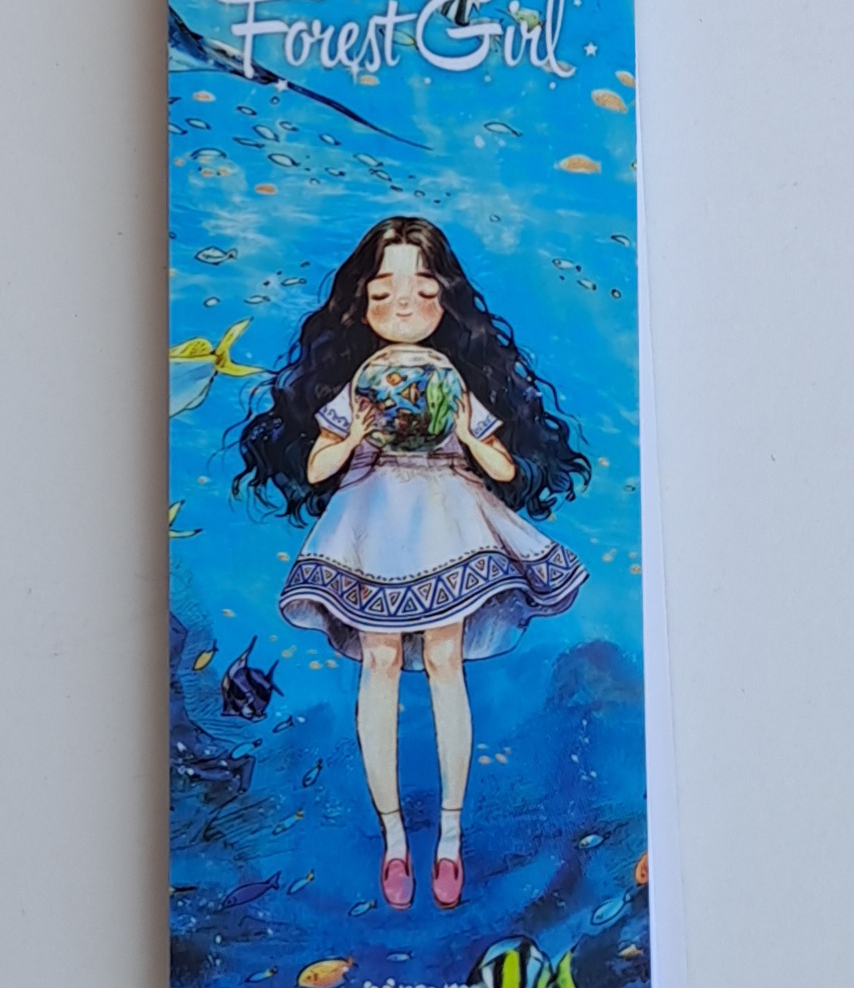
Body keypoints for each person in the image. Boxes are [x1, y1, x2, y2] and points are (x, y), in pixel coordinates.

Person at [234, 217, 588, 909]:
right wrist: (356, 434)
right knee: (382, 660)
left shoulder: (450, 377)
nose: (402, 306)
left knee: (445, 660)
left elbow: (501, 465)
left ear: (445, 301)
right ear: (360, 304)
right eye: (383, 294)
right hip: (372, 527)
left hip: (447, 521)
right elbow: (319, 465)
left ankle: (450, 834)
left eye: (422, 292)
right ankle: (394, 837)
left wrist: (465, 435)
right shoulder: (363, 381)